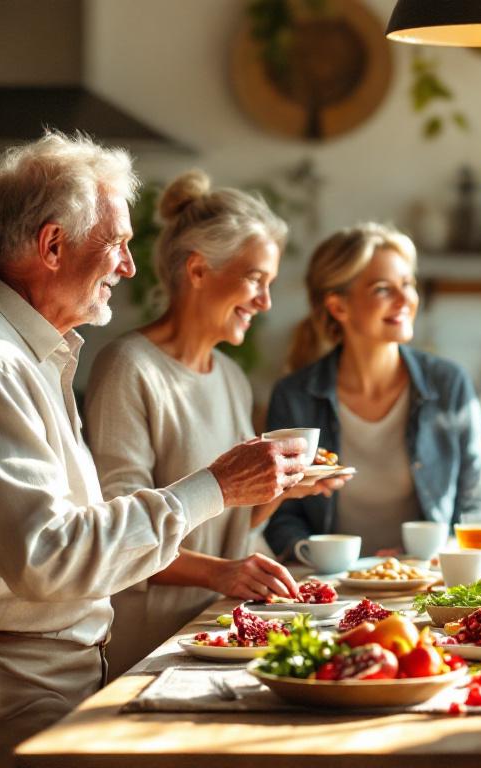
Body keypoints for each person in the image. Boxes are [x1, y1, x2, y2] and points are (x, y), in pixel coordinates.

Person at [0, 132, 308, 768]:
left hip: (26, 670)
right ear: (52, 245)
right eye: (117, 243)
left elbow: (81, 541)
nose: (128, 266)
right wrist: (215, 487)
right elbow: (50, 557)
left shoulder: (36, 355)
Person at [85, 170, 347, 679]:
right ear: (199, 269)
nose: (265, 302)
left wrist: (281, 491)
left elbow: (225, 522)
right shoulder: (128, 366)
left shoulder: (231, 377)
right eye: (256, 279)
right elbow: (122, 533)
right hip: (153, 642)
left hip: (222, 629)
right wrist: (223, 574)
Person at [265, 223, 481, 558]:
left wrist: (437, 551)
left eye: (408, 284)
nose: (406, 300)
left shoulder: (448, 384)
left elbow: (478, 500)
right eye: (383, 289)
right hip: (331, 590)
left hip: (426, 582)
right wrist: (314, 556)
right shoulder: (294, 396)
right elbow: (281, 513)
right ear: (338, 307)